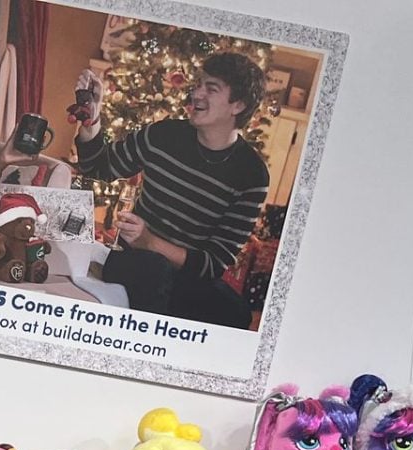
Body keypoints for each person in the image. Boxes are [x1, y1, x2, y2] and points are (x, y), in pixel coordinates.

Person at [71, 51, 269, 327]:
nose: (196, 94)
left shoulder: (252, 174)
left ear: (238, 105)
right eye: (198, 85)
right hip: (135, 262)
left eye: (211, 89)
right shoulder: (163, 136)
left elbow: (214, 264)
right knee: (156, 270)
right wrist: (91, 120)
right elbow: (98, 167)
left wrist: (150, 240)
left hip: (186, 278)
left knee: (235, 312)